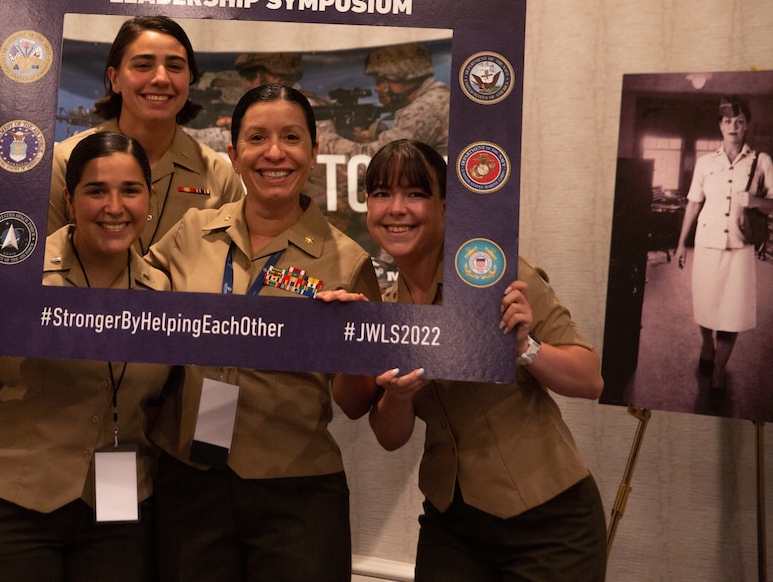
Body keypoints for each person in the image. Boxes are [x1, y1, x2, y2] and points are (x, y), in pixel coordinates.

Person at [328, 140, 607, 581]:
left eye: (415, 194)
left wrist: (524, 348)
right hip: (452, 523)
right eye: (381, 194)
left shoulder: (495, 274)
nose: (396, 208)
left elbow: (590, 379)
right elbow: (389, 437)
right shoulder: (388, 308)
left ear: (445, 207)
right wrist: (397, 397)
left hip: (550, 524)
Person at [147, 84, 381, 582]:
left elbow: (357, 403)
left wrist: (352, 345)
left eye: (291, 138)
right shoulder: (191, 233)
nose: (275, 153)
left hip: (297, 490)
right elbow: (125, 304)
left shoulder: (348, 261)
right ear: (234, 154)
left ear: (314, 152)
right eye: (257, 138)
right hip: (189, 480)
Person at [0, 132, 172, 582]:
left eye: (130, 191)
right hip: (8, 510)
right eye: (96, 191)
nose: (114, 207)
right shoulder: (12, 272)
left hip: (119, 517)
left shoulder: (164, 293)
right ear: (70, 201)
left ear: (149, 198)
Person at [47, 15, 244, 252]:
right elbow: (40, 264)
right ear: (115, 79)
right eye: (143, 65)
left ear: (190, 79)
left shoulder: (219, 177)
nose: (161, 78)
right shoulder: (64, 163)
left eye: (175, 66)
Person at [675, 96, 773, 395]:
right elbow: (694, 203)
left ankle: (719, 370)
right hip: (707, 244)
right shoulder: (706, 163)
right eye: (728, 121)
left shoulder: (761, 161)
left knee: (732, 311)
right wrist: (681, 244)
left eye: (739, 122)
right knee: (706, 303)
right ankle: (707, 343)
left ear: (746, 126)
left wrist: (755, 201)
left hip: (740, 248)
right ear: (720, 125)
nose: (733, 127)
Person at [316, 42, 449, 159]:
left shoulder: (425, 109)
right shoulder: (438, 97)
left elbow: (377, 159)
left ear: (400, 76)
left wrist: (323, 140)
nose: (377, 88)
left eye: (380, 80)